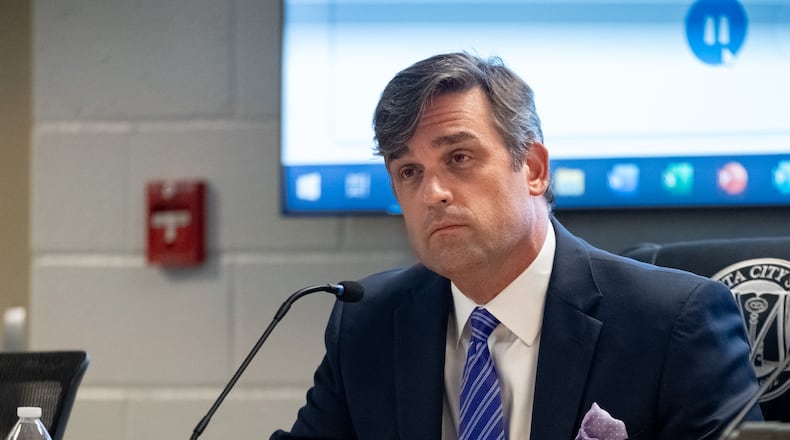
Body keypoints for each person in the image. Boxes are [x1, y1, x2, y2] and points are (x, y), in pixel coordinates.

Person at [271, 52, 762, 439]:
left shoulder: (672, 324)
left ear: (533, 169)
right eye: (409, 172)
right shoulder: (367, 323)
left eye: (459, 157)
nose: (432, 192)